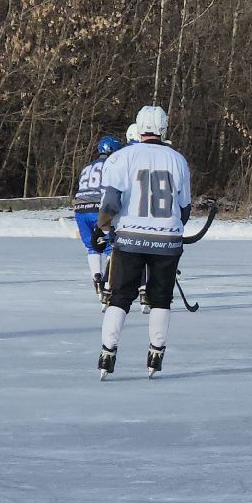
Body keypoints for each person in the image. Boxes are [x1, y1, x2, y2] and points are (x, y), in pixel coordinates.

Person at [93, 105, 192, 379]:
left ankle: (107, 353)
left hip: (130, 238)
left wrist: (101, 227)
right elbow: (184, 209)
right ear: (163, 128)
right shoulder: (178, 160)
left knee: (120, 297)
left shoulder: (122, 158)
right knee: (161, 298)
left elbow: (111, 202)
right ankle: (156, 353)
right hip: (168, 241)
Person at [75, 135, 124, 299]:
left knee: (92, 247)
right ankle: (108, 284)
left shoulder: (87, 166)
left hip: (80, 209)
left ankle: (96, 279)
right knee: (111, 246)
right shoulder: (111, 165)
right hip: (98, 208)